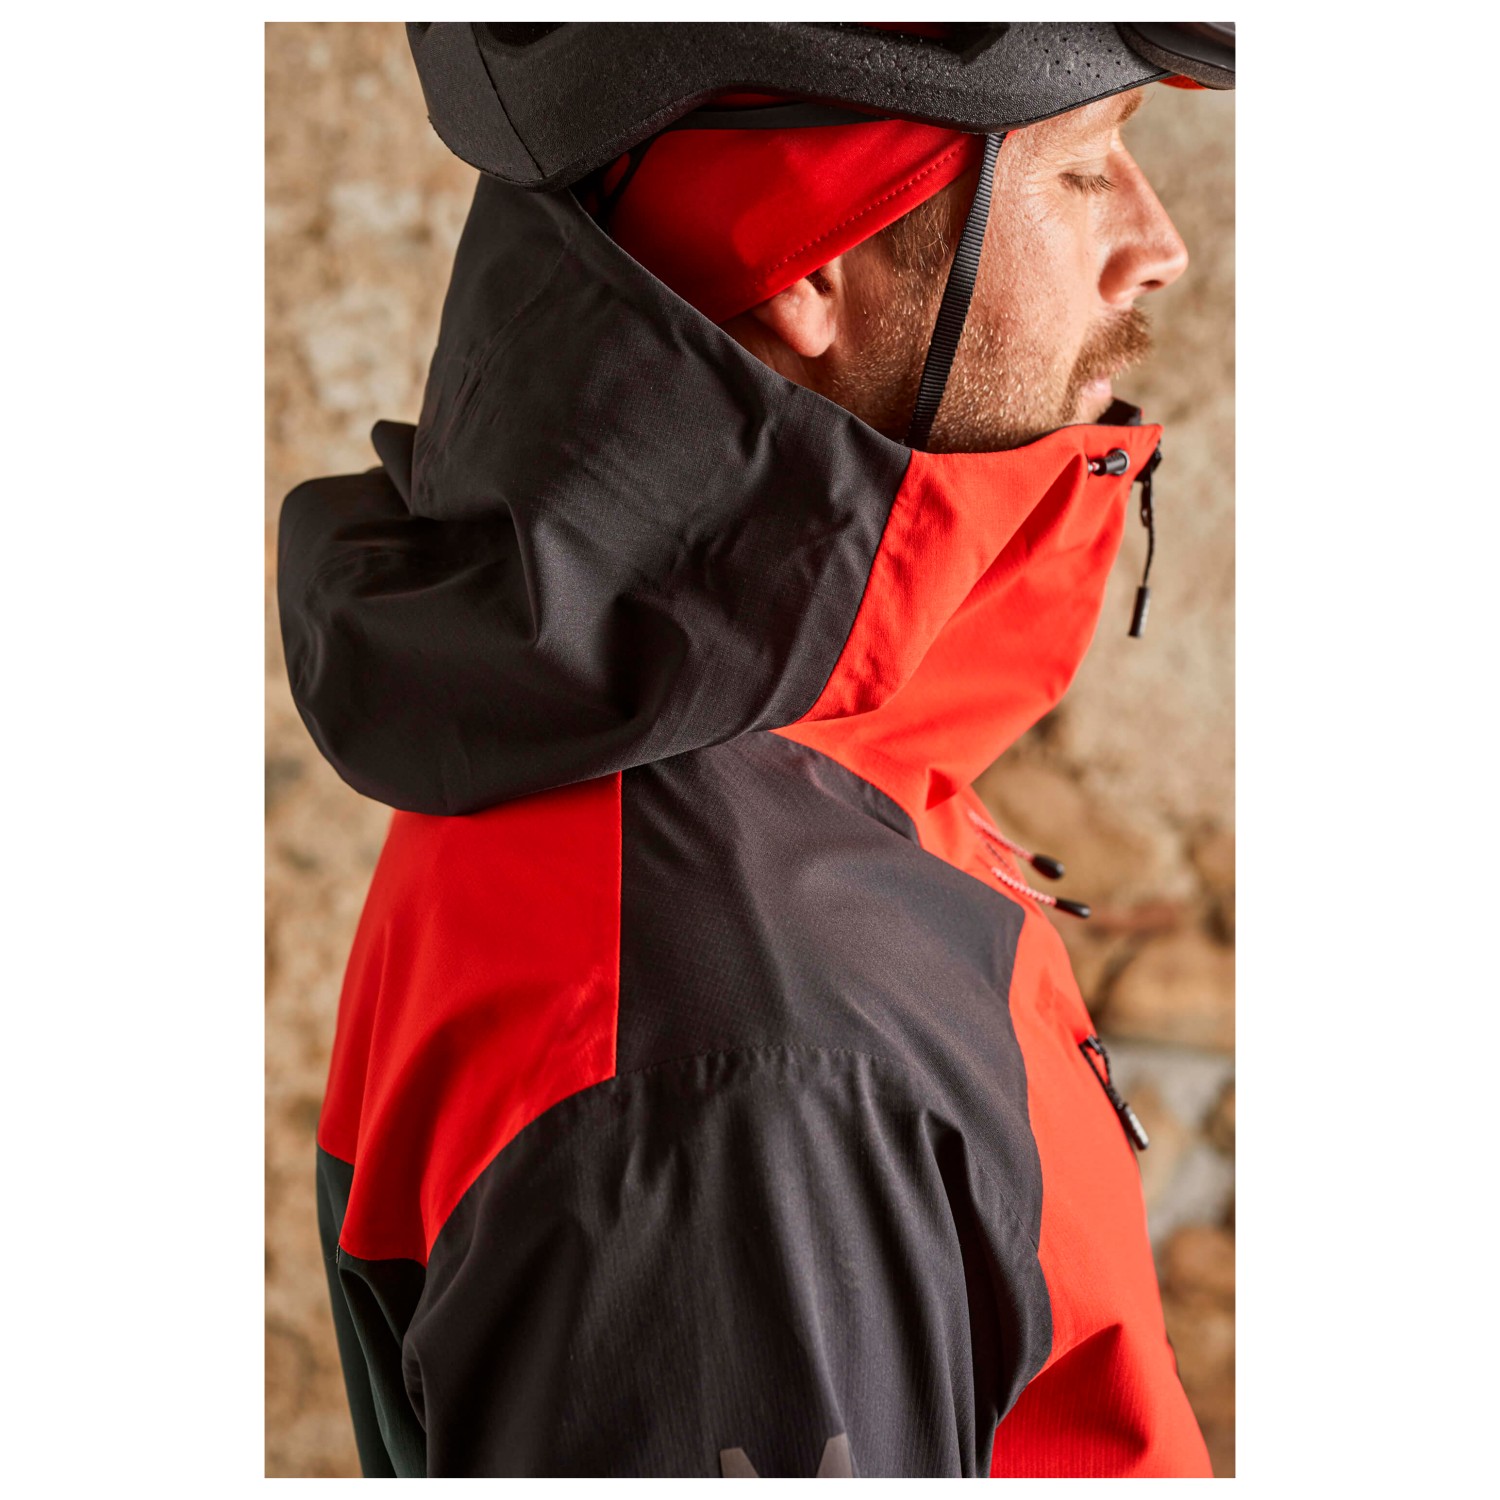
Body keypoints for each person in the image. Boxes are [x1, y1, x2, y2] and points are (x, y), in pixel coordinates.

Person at [278, 21, 1234, 1478]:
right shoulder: (743, 1069)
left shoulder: (748, 741)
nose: (1157, 248)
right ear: (812, 265)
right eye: (1083, 172)